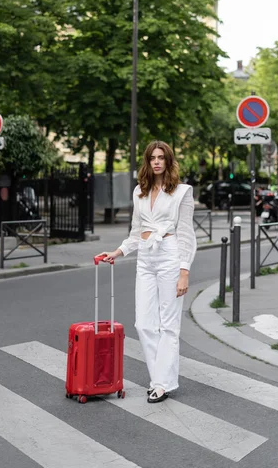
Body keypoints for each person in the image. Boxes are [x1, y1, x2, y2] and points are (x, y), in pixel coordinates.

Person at [101, 140, 196, 403]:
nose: (156, 161)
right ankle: (160, 379)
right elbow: (135, 232)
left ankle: (160, 383)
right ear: (147, 161)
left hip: (169, 255)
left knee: (168, 325)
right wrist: (118, 252)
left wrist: (184, 271)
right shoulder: (139, 192)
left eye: (161, 157)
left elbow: (186, 234)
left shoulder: (182, 192)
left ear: (168, 160)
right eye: (152, 157)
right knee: (143, 324)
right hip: (145, 257)